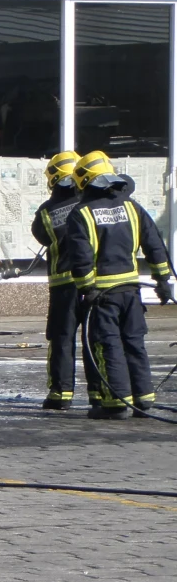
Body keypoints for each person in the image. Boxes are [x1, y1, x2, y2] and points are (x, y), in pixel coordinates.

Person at [64, 150, 174, 419]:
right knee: (135, 343)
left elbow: (81, 257)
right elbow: (155, 246)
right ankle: (144, 399)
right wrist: (163, 282)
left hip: (102, 294)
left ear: (84, 182)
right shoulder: (131, 207)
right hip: (131, 292)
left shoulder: (82, 214)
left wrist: (87, 289)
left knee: (108, 344)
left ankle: (116, 404)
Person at [30, 151, 82, 410]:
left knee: (62, 338)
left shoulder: (46, 213)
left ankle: (61, 394)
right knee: (101, 338)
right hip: (97, 285)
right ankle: (106, 396)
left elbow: (42, 236)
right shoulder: (91, 204)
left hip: (64, 286)